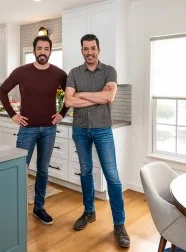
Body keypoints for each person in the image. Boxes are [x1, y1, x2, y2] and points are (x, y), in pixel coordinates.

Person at [64, 34, 130, 248]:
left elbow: (109, 98)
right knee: (85, 171)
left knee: (112, 176)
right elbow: (68, 100)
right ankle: (89, 212)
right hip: (80, 130)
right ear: (81, 50)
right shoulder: (74, 73)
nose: (89, 52)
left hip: (103, 130)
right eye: (85, 49)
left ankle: (119, 224)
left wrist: (82, 94)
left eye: (93, 48)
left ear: (98, 49)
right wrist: (96, 95)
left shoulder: (109, 71)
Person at [0, 35, 68, 225]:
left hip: (49, 129)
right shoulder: (21, 72)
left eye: (46, 49)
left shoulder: (60, 74)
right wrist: (13, 114)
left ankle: (39, 208)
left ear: (50, 51)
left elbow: (69, 95)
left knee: (43, 170)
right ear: (34, 50)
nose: (43, 52)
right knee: (21, 168)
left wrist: (62, 113)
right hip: (27, 129)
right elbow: (2, 91)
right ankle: (16, 207)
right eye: (39, 48)